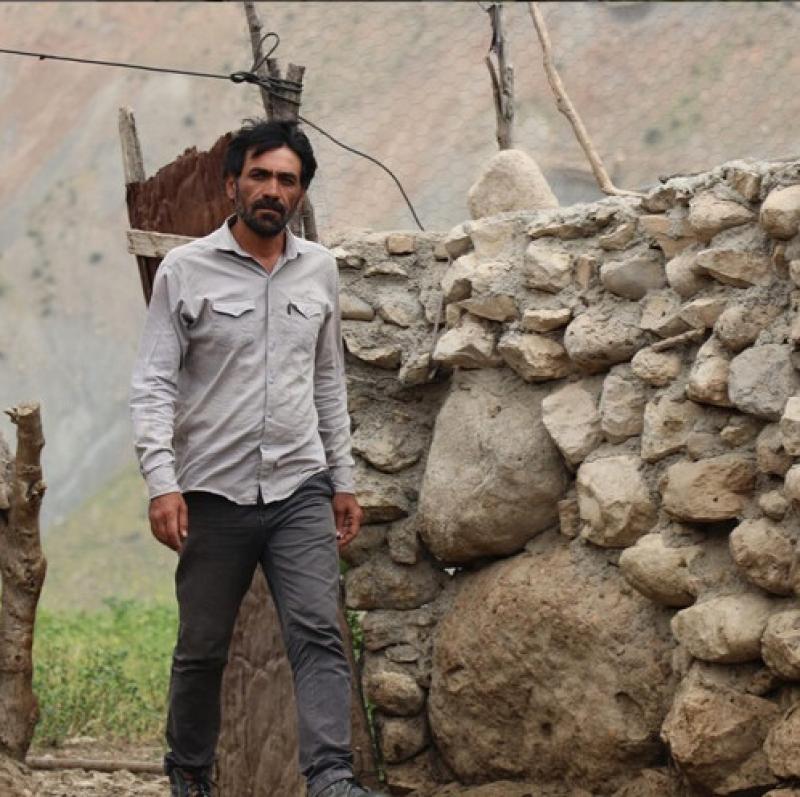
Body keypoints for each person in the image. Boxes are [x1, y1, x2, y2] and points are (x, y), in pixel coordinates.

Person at [130, 119, 383, 797]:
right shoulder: (184, 271)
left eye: (287, 180)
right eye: (260, 176)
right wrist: (161, 482)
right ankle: (190, 773)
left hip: (300, 486)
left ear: (300, 193)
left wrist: (342, 479)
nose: (273, 190)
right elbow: (153, 383)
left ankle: (331, 777)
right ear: (232, 184)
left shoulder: (319, 269)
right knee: (203, 647)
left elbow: (327, 380)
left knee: (318, 633)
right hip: (213, 492)